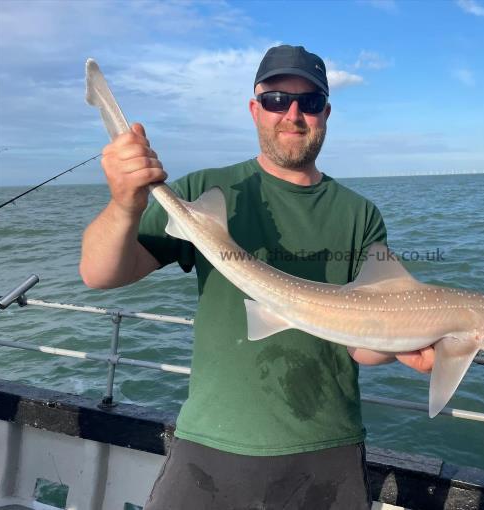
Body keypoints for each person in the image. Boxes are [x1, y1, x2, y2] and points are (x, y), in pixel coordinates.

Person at [80, 44, 434, 509]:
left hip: (326, 446)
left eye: (308, 103)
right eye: (275, 101)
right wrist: (126, 202)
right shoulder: (205, 190)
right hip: (212, 440)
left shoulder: (360, 214)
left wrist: (403, 342)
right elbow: (100, 274)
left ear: (326, 112)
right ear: (255, 109)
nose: (293, 114)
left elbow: (360, 347)